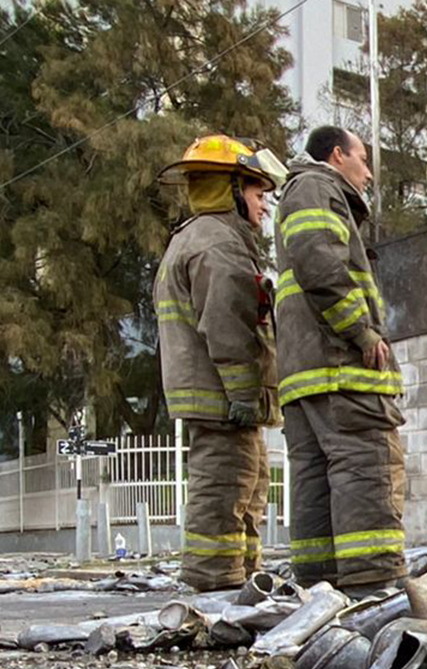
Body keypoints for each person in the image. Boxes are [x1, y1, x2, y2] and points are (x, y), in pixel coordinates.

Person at [154, 135, 288, 591]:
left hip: (219, 397)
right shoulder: (218, 244)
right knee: (223, 491)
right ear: (229, 189)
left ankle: (241, 581)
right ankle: (216, 583)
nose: (264, 206)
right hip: (222, 398)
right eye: (257, 194)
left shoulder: (206, 237)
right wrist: (245, 394)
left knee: (245, 490)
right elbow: (229, 329)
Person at [274, 126, 405, 594]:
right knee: (366, 465)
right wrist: (361, 330)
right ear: (336, 155)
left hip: (307, 370)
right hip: (338, 365)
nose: (368, 173)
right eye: (363, 160)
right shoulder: (317, 187)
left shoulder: (301, 192)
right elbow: (320, 264)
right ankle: (374, 586)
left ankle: (321, 590)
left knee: (316, 481)